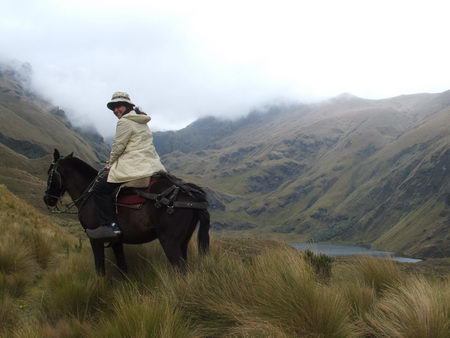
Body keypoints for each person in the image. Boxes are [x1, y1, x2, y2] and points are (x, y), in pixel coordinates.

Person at [88, 91, 166, 239]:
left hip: (134, 165)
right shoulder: (141, 121)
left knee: (99, 189)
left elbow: (118, 146)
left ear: (127, 106)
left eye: (119, 106)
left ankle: (110, 226)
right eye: (114, 108)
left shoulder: (124, 122)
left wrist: (110, 164)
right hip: (151, 164)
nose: (116, 110)